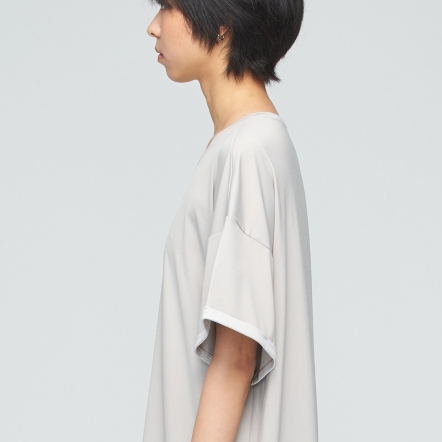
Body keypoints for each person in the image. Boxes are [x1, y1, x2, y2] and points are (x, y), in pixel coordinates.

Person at [143, 0, 318, 440]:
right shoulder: (251, 145)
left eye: (168, 6)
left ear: (222, 23)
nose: (152, 27)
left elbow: (236, 358)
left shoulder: (246, 152)